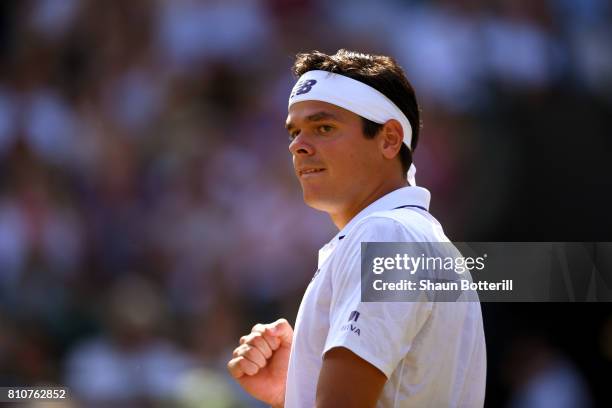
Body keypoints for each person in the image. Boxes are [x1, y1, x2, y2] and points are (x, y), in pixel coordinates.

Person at [227, 49, 486, 407]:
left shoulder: (387, 235)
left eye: (324, 128)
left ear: (389, 139)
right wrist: (297, 390)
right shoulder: (405, 234)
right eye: (295, 131)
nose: (297, 146)